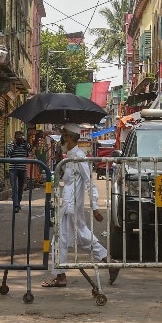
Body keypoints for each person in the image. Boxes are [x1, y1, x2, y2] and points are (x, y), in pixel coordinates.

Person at [41, 123, 119, 288]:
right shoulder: (69, 156)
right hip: (68, 205)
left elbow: (89, 181)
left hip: (71, 206)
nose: (60, 138)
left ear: (68, 137)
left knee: (59, 240)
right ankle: (109, 262)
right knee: (82, 238)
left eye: (62, 135)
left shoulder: (79, 156)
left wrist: (95, 206)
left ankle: (60, 276)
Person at [6, 130, 31, 213]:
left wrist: (25, 142)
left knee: (21, 188)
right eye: (18, 136)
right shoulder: (11, 144)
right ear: (15, 137)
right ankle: (15, 205)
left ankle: (18, 202)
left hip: (23, 169)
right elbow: (8, 153)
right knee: (14, 187)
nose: (20, 138)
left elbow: (29, 150)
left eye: (21, 136)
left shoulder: (25, 144)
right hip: (13, 168)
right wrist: (14, 145)